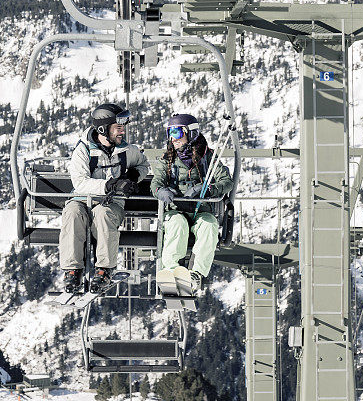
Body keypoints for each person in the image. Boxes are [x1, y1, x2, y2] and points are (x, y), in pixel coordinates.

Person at [60, 103, 150, 293]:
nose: (122, 132)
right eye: (118, 127)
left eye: (123, 127)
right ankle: (72, 270)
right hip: (83, 199)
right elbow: (80, 183)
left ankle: (104, 270)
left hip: (111, 203)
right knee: (72, 212)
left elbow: (143, 165)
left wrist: (133, 175)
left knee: (103, 214)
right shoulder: (84, 151)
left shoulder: (126, 150)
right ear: (103, 128)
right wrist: (108, 185)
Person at [151, 114, 233, 294]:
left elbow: (226, 181)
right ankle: (171, 269)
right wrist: (161, 192)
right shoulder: (168, 160)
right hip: (176, 210)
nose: (173, 138)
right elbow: (156, 183)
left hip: (200, 210)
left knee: (209, 225)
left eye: (177, 132)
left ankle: (196, 273)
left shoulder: (208, 157)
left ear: (191, 133)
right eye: (169, 133)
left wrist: (208, 189)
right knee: (177, 225)